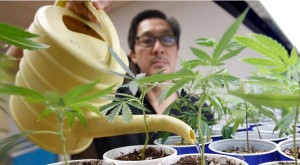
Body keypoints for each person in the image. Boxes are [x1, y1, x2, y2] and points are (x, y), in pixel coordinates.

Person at [6, 0, 213, 159]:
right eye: (147, 40)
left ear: (177, 50)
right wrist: (64, 15)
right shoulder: (107, 94)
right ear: (132, 54)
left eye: (167, 39)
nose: (158, 48)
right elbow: (9, 65)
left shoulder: (199, 108)